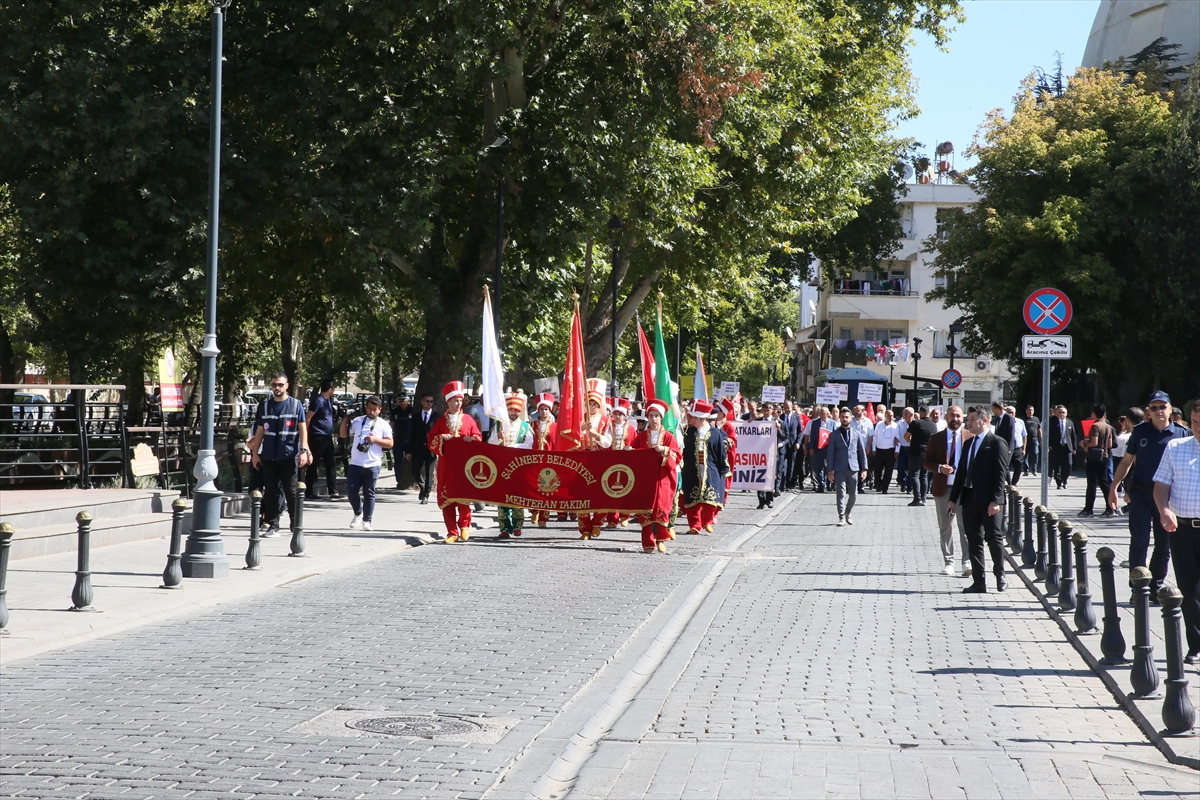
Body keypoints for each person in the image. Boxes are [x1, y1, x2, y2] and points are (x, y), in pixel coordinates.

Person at [1110, 392, 1190, 601]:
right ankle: (1138, 587)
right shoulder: (1140, 432)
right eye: (1153, 408)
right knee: (1140, 542)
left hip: (1168, 500)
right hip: (1142, 495)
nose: (1158, 411)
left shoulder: (1182, 434)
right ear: (1148, 411)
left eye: (1162, 407)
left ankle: (1155, 587)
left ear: (1170, 409)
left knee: (1163, 546)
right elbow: (1127, 461)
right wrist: (1114, 486)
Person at [1153, 401, 1200, 664]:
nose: (1197, 428)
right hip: (1182, 529)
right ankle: (1196, 645)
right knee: (1188, 589)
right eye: (1193, 422)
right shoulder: (1176, 448)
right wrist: (1164, 509)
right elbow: (1161, 485)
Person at [948, 406, 1011, 593]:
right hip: (969, 499)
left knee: (994, 538)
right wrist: (953, 499)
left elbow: (1001, 474)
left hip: (989, 502)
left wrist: (996, 500)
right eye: (968, 418)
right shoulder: (968, 443)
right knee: (973, 540)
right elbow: (961, 473)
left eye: (972, 419)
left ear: (984, 420)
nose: (968, 422)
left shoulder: (997, 442)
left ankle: (1000, 574)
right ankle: (979, 581)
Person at [248, 373, 312, 537]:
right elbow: (260, 430)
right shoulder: (265, 405)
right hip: (269, 455)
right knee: (270, 491)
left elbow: (303, 428)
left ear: (287, 385)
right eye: (274, 385)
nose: (277, 388)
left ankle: (295, 523)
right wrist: (255, 453)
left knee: (291, 491)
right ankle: (273, 525)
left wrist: (304, 450)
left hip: (289, 454)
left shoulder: (296, 405)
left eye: (280, 385)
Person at [428, 380, 481, 542]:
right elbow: (431, 440)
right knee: (447, 499)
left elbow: (478, 437)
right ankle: (452, 532)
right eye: (455, 400)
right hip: (446, 466)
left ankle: (465, 527)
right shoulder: (440, 422)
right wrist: (441, 437)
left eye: (460, 400)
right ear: (448, 402)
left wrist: (472, 440)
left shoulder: (468, 420)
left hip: (464, 465)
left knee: (463, 497)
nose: (459, 403)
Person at [925, 405, 969, 577]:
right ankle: (949, 562)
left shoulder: (970, 437)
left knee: (965, 526)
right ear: (945, 417)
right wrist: (938, 468)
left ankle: (966, 561)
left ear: (962, 418)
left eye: (958, 416)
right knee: (946, 526)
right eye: (952, 415)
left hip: (964, 488)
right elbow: (926, 461)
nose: (955, 419)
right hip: (944, 488)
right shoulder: (936, 438)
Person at [339, 395, 394, 531]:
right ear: (366, 407)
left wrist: (375, 440)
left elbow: (390, 443)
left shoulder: (383, 424)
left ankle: (367, 520)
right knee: (351, 491)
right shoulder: (358, 421)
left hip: (372, 464)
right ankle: (358, 512)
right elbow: (343, 435)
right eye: (369, 408)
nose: (372, 412)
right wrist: (345, 418)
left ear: (380, 409)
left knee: (369, 493)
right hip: (356, 463)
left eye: (375, 409)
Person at [634, 399, 682, 553]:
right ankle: (648, 542)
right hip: (646, 480)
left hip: (662, 479)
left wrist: (665, 450)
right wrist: (629, 451)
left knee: (662, 507)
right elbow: (634, 452)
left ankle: (661, 538)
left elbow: (677, 455)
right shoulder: (641, 437)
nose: (653, 419)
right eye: (651, 416)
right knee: (646, 509)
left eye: (656, 416)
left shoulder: (668, 437)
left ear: (661, 418)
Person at [681, 399, 729, 535]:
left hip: (711, 469)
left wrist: (724, 469)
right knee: (692, 498)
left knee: (710, 498)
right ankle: (695, 525)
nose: (692, 420)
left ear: (702, 418)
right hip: (692, 469)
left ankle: (707, 521)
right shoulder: (688, 433)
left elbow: (721, 452)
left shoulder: (716, 433)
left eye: (694, 417)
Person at [490, 390, 533, 538]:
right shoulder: (498, 425)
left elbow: (529, 444)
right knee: (501, 497)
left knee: (517, 496)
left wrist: (514, 447)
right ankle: (504, 527)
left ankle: (517, 524)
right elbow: (489, 444)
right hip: (501, 466)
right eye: (511, 410)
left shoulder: (525, 427)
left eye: (516, 410)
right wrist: (497, 437)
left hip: (518, 467)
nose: (513, 412)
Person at [576, 379, 613, 540]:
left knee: (601, 494)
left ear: (599, 405)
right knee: (581, 494)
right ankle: (584, 528)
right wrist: (580, 430)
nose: (591, 407)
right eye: (588, 403)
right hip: (582, 461)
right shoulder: (580, 419)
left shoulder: (606, 420)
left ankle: (597, 522)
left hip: (600, 461)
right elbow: (571, 440)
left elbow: (608, 441)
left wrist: (596, 436)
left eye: (594, 404)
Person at [826, 407, 867, 527]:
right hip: (839, 468)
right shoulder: (834, 435)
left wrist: (864, 469)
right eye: (842, 417)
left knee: (854, 494)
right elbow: (830, 453)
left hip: (853, 468)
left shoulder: (856, 434)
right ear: (840, 418)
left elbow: (862, 452)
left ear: (850, 418)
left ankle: (848, 512)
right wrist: (829, 470)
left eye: (847, 417)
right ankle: (841, 517)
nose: (844, 419)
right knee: (841, 493)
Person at [305, 379, 340, 500]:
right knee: (313, 464)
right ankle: (308, 490)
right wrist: (307, 435)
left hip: (327, 436)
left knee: (330, 463)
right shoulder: (318, 400)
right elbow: (308, 418)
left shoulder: (328, 401)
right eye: (334, 389)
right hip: (317, 436)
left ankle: (333, 491)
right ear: (330, 389)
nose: (334, 391)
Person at [606, 397, 637, 529]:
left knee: (626, 489)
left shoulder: (631, 429)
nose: (618, 416)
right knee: (610, 490)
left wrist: (630, 448)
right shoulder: (608, 427)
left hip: (626, 463)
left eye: (620, 414)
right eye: (616, 413)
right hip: (610, 462)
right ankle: (612, 519)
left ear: (625, 415)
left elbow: (635, 443)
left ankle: (625, 516)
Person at [1079, 403, 1115, 517]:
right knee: (1104, 483)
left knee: (1092, 484)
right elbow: (1109, 444)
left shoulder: (1095, 426)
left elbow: (1093, 442)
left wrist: (1084, 443)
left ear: (1094, 413)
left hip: (1094, 457)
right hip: (1104, 456)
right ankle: (1110, 508)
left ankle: (1088, 509)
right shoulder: (1108, 426)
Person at [529, 392, 558, 529]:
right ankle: (534, 510)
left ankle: (543, 518)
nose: (544, 412)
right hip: (533, 461)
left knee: (547, 489)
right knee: (534, 488)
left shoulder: (555, 427)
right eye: (542, 409)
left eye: (546, 409)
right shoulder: (531, 424)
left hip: (549, 462)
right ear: (538, 410)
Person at [407, 393, 440, 504]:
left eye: (431, 401)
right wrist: (409, 450)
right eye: (427, 401)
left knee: (429, 472)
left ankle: (426, 494)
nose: (429, 403)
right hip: (417, 448)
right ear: (422, 402)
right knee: (414, 469)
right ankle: (422, 485)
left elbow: (439, 433)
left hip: (431, 449)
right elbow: (411, 434)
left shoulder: (437, 416)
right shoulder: (415, 416)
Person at [904, 407, 937, 506]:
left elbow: (906, 436)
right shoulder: (933, 425)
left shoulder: (916, 423)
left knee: (914, 475)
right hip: (927, 453)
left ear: (921, 413)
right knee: (924, 476)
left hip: (916, 451)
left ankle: (917, 498)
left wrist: (911, 440)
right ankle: (924, 498)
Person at [806, 406, 836, 493]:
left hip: (828, 449)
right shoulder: (815, 423)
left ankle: (829, 483)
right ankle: (821, 484)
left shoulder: (832, 423)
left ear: (827, 413)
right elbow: (812, 437)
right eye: (821, 413)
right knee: (818, 467)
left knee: (828, 467)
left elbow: (834, 436)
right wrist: (811, 448)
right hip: (818, 448)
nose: (822, 415)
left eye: (824, 413)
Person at [993, 402, 1023, 486]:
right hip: (1001, 446)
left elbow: (1011, 433)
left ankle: (1012, 483)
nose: (993, 411)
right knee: (1004, 466)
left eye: (993, 409)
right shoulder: (997, 419)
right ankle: (1007, 483)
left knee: (1012, 465)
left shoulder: (1008, 418)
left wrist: (1009, 448)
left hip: (1009, 447)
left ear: (997, 409)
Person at [1049, 405, 1077, 489]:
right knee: (1057, 465)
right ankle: (1059, 483)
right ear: (1057, 413)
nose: (1062, 414)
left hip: (1067, 446)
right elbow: (1050, 434)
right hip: (1056, 446)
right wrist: (1049, 445)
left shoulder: (1070, 423)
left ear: (1066, 413)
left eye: (1063, 412)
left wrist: (1074, 448)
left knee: (1069, 464)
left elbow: (1073, 436)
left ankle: (1065, 479)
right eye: (1060, 412)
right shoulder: (1053, 422)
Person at [873, 408, 899, 493]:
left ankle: (885, 488)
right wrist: (874, 448)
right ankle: (878, 485)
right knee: (878, 470)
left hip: (890, 451)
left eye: (892, 416)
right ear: (885, 416)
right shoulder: (879, 425)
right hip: (879, 450)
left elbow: (898, 439)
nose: (890, 417)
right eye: (888, 416)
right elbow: (875, 437)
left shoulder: (895, 426)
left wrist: (897, 450)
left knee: (888, 471)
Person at [390, 394, 414, 485]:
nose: (402, 402)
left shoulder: (412, 410)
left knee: (410, 460)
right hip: (397, 439)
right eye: (400, 400)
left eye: (404, 400)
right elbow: (391, 424)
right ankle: (399, 480)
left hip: (409, 440)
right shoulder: (395, 411)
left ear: (408, 400)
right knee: (398, 461)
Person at [850, 405, 874, 492]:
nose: (856, 412)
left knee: (862, 466)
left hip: (864, 448)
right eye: (855, 410)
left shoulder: (868, 421)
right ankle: (853, 485)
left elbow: (870, 435)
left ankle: (861, 485)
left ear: (863, 411)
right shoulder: (851, 421)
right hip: (852, 448)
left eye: (858, 410)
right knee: (853, 467)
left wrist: (869, 446)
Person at [779, 400, 801, 491]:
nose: (787, 409)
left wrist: (798, 443)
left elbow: (800, 431)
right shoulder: (781, 417)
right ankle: (781, 484)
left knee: (791, 465)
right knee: (782, 465)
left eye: (789, 407)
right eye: (785, 407)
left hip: (793, 445)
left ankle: (789, 484)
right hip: (783, 444)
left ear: (792, 407)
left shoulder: (796, 417)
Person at [896, 407, 914, 493]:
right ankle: (903, 482)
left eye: (907, 413)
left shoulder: (915, 423)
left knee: (911, 469)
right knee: (901, 468)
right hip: (902, 449)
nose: (905, 415)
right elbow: (895, 433)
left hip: (912, 449)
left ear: (912, 415)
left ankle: (909, 487)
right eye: (904, 413)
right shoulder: (900, 423)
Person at [1023, 405, 1041, 476]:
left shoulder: (1036, 419)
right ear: (1026, 411)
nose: (1031, 411)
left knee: (1035, 453)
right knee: (1025, 455)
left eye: (1032, 410)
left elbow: (1039, 430)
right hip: (1026, 440)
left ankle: (1034, 469)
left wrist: (1041, 440)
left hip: (1034, 440)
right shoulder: (1023, 419)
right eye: (1029, 410)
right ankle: (1026, 470)